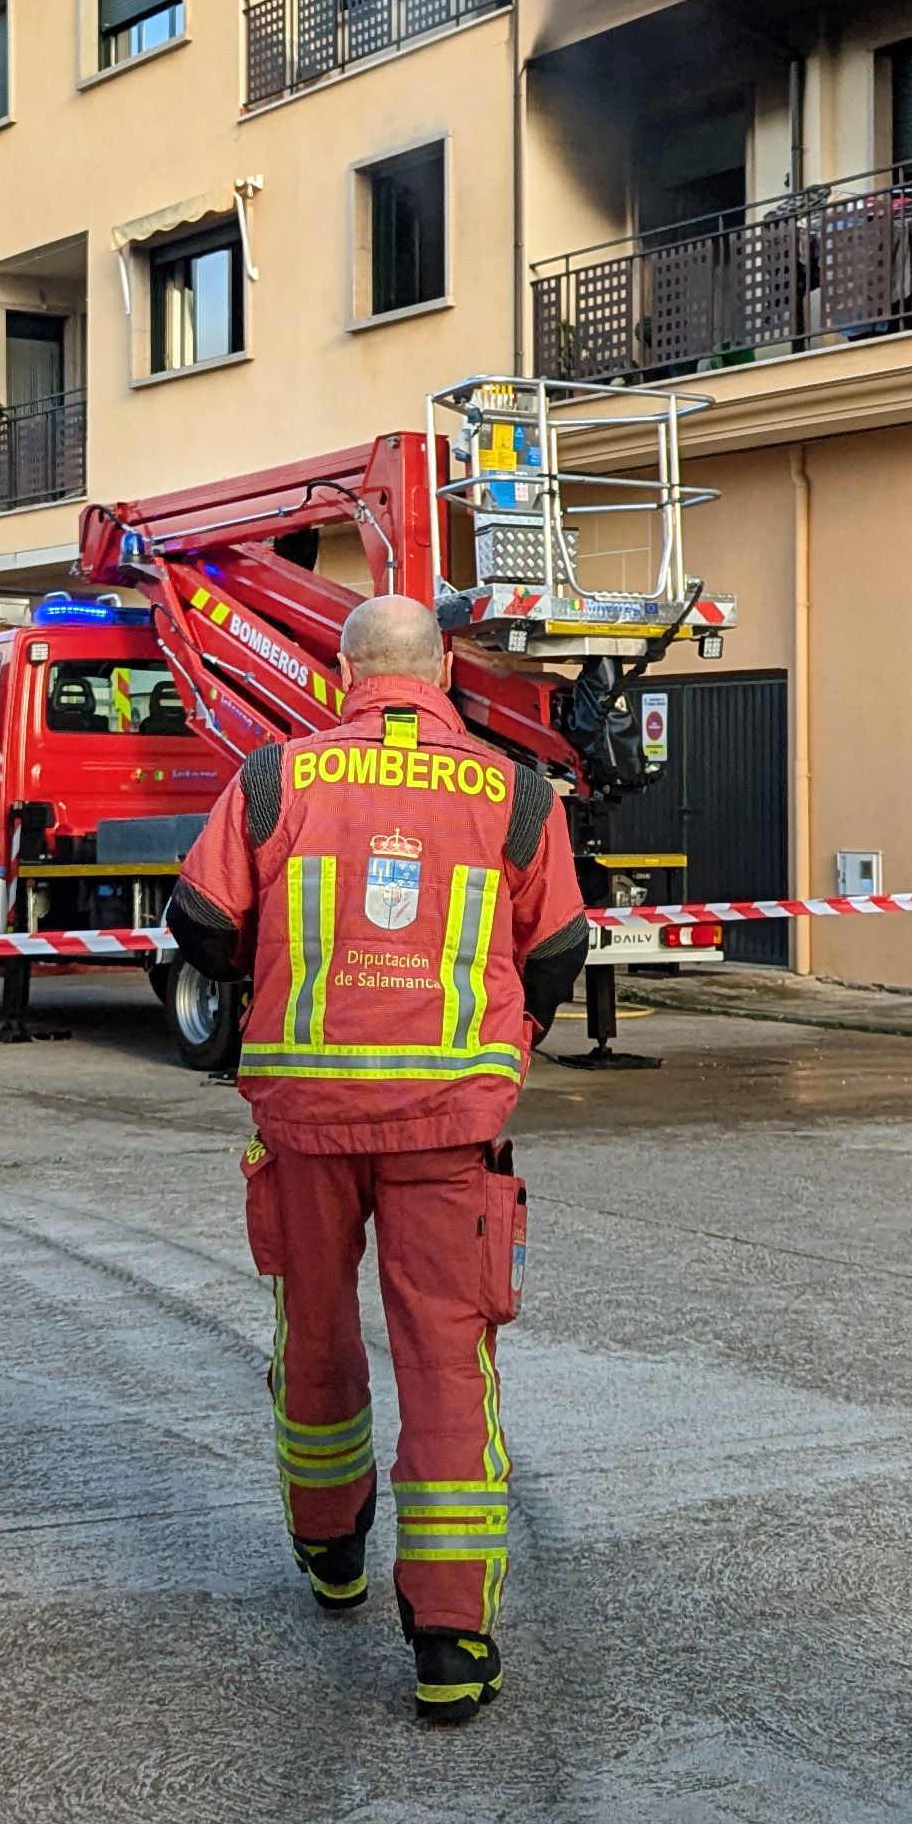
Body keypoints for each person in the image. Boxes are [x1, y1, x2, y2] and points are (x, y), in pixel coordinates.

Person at [167, 596, 589, 1722]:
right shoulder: (515, 791)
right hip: (452, 1123)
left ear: (345, 669)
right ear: (444, 667)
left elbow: (201, 925)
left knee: (314, 1336)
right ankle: (451, 1641)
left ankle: (332, 1555)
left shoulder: (275, 777)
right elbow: (557, 949)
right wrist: (508, 1037)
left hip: (304, 1116)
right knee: (449, 1363)